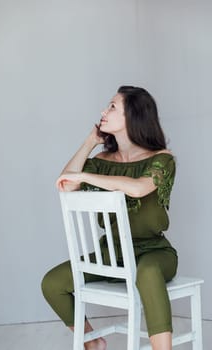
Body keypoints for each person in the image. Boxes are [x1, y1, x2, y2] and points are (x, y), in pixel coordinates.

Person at [41, 86, 178, 350]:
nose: (103, 111)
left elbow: (138, 188)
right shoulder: (102, 160)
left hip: (154, 253)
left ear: (133, 116)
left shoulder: (162, 160)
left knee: (148, 273)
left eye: (112, 107)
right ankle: (93, 342)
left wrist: (87, 177)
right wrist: (89, 142)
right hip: (112, 256)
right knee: (52, 283)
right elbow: (66, 184)